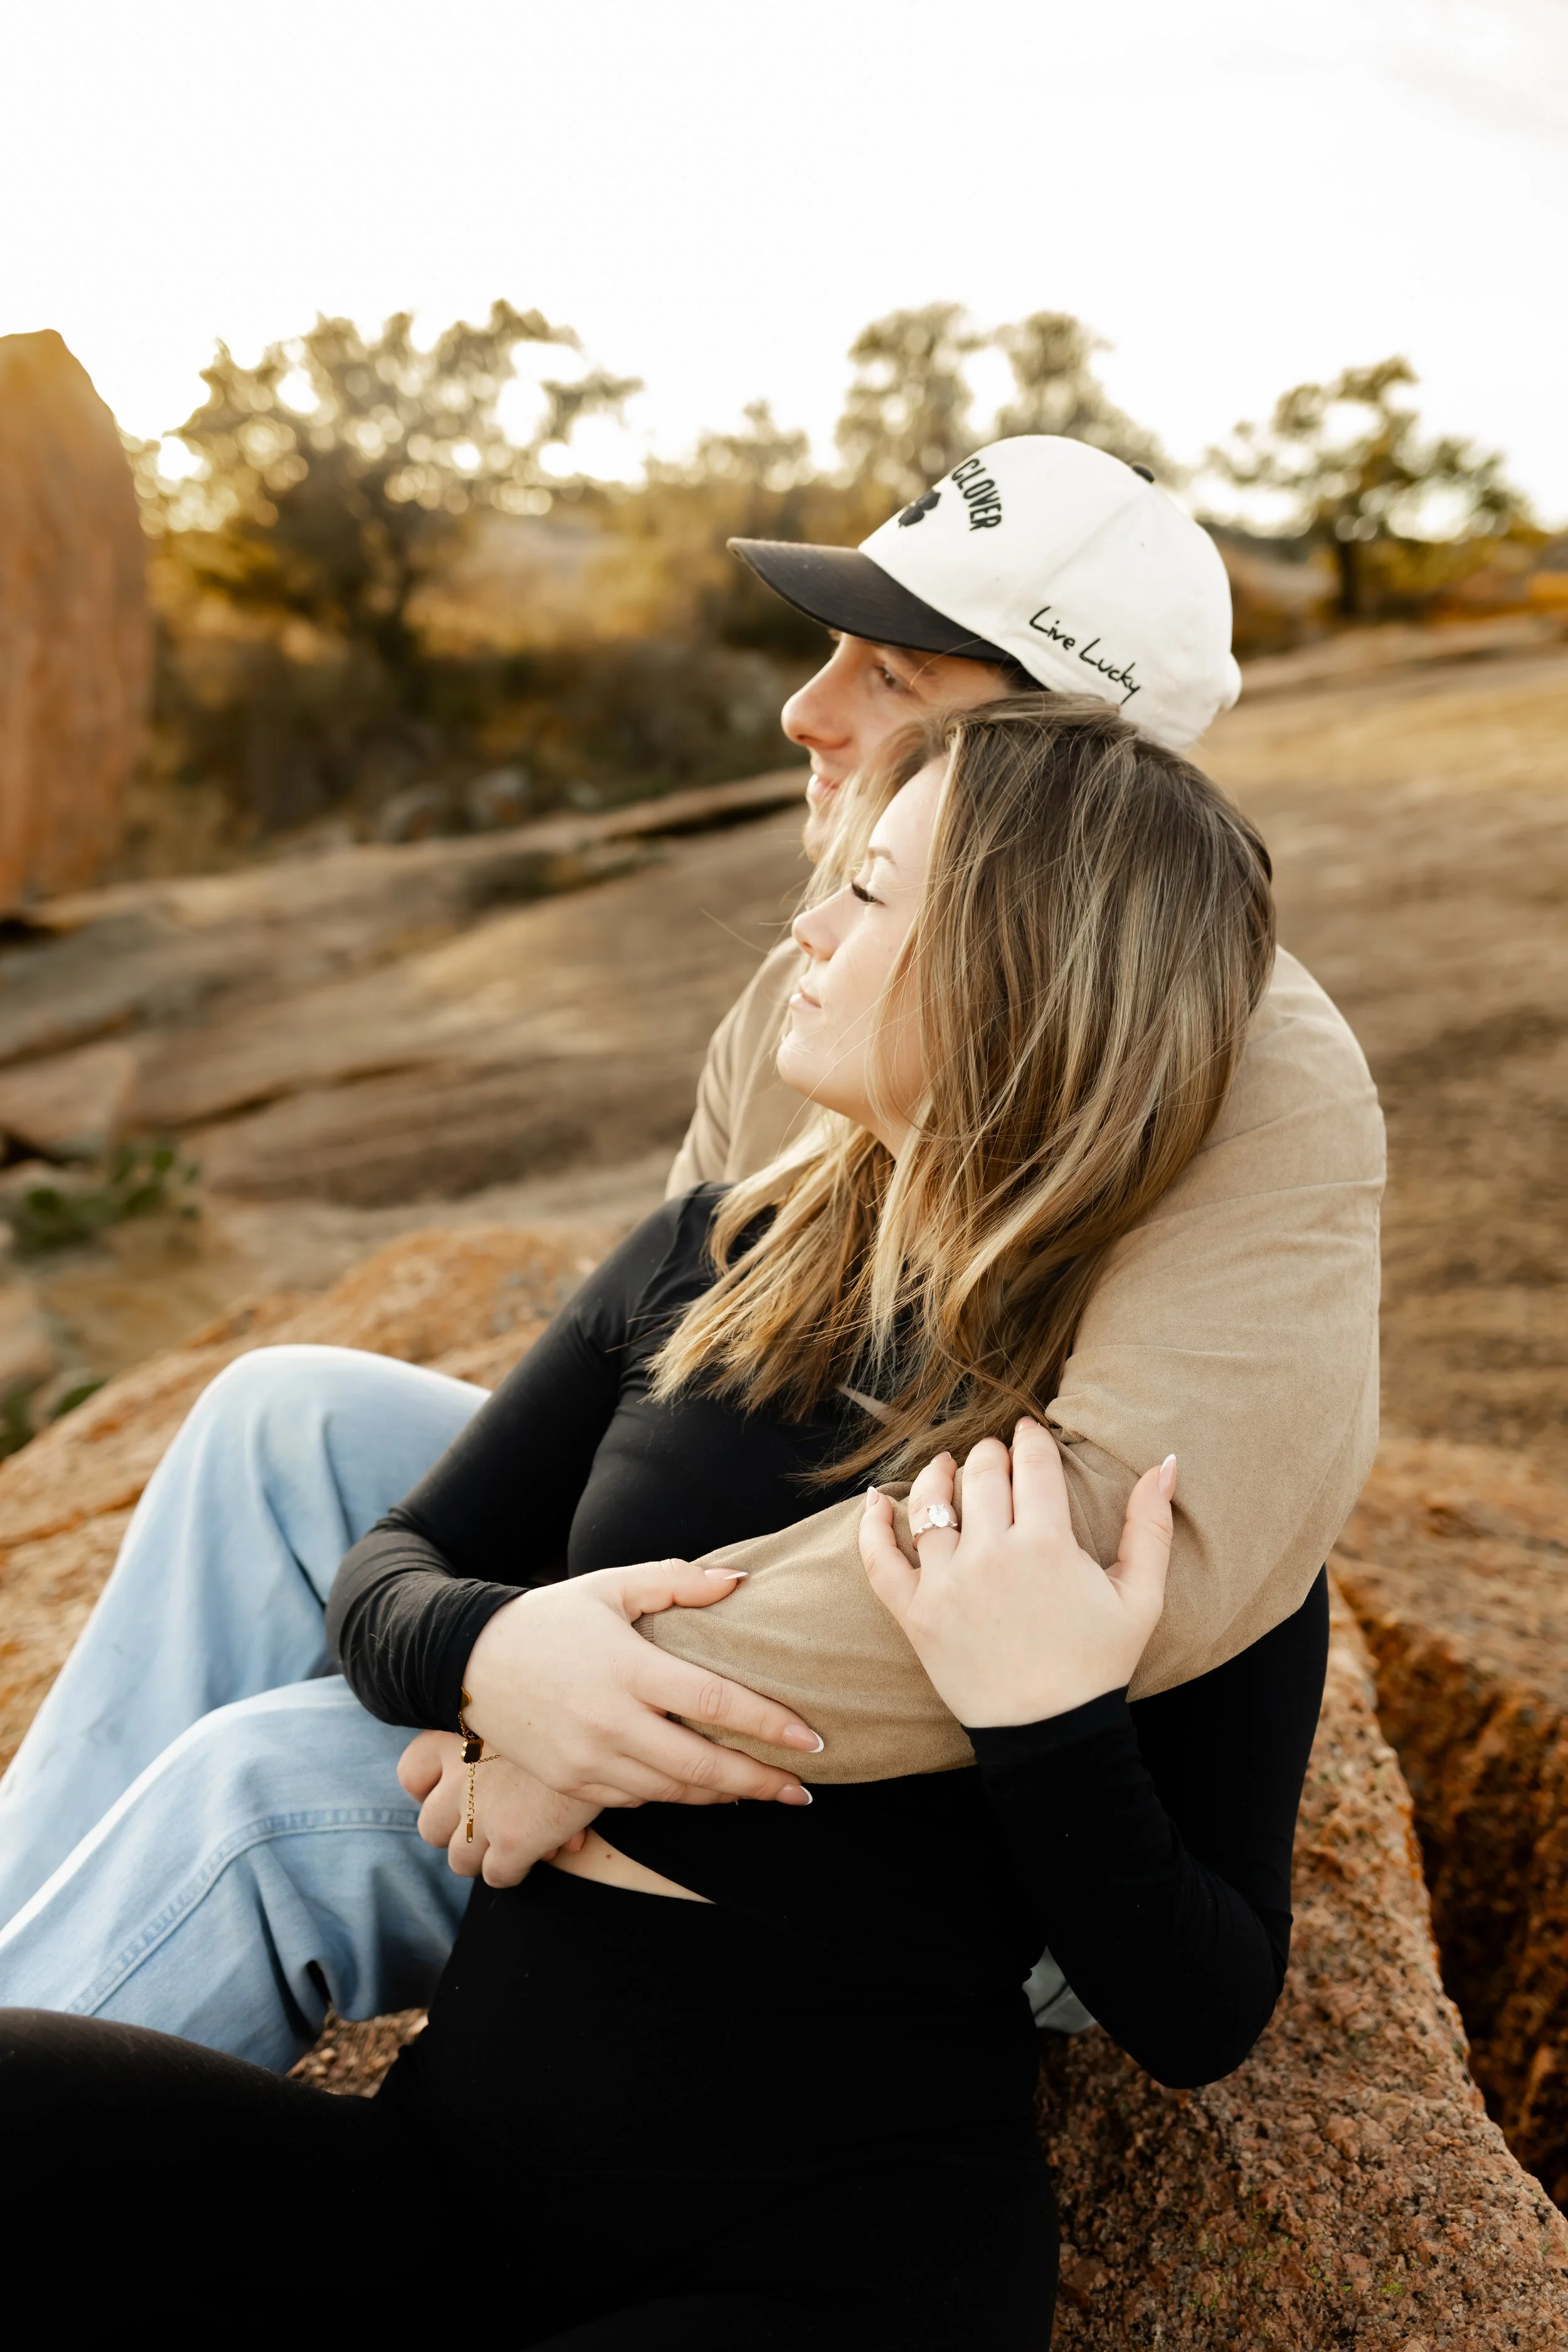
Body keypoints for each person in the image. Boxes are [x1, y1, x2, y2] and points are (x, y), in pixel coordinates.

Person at [0, 437, 1382, 2071]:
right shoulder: (806, 986)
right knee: (280, 1420)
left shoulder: (1261, 1067)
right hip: (746, 1619)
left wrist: (561, 1706)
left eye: (885, 669)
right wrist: (499, 1644)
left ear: (1054, 758)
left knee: (278, 1794)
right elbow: (689, 1393)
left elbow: (1117, 1544)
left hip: (952, 1819)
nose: (804, 710)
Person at [1, 696, 1325, 2349]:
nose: (806, 925)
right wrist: (500, 1652)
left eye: (870, 894)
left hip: (819, 2269)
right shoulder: (705, 1253)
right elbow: (384, 1571)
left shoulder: (1139, 1454)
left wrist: (1045, 1716)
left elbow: (1204, 2002)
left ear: (1009, 957)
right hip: (438, 2187)